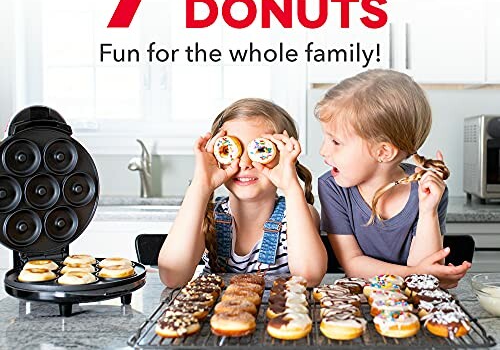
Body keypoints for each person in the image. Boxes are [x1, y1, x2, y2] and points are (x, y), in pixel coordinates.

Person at [316, 69, 471, 288]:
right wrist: (414, 273)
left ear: (383, 152)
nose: (323, 151)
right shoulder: (332, 187)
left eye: (336, 142)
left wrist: (428, 211)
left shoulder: (428, 192)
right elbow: (353, 264)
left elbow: (425, 273)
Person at [158, 98, 327, 287]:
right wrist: (201, 184)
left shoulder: (298, 214)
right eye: (230, 150)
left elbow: (309, 277)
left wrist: (291, 185)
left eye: (260, 149)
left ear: (285, 156)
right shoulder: (209, 217)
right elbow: (173, 277)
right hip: (216, 315)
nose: (245, 163)